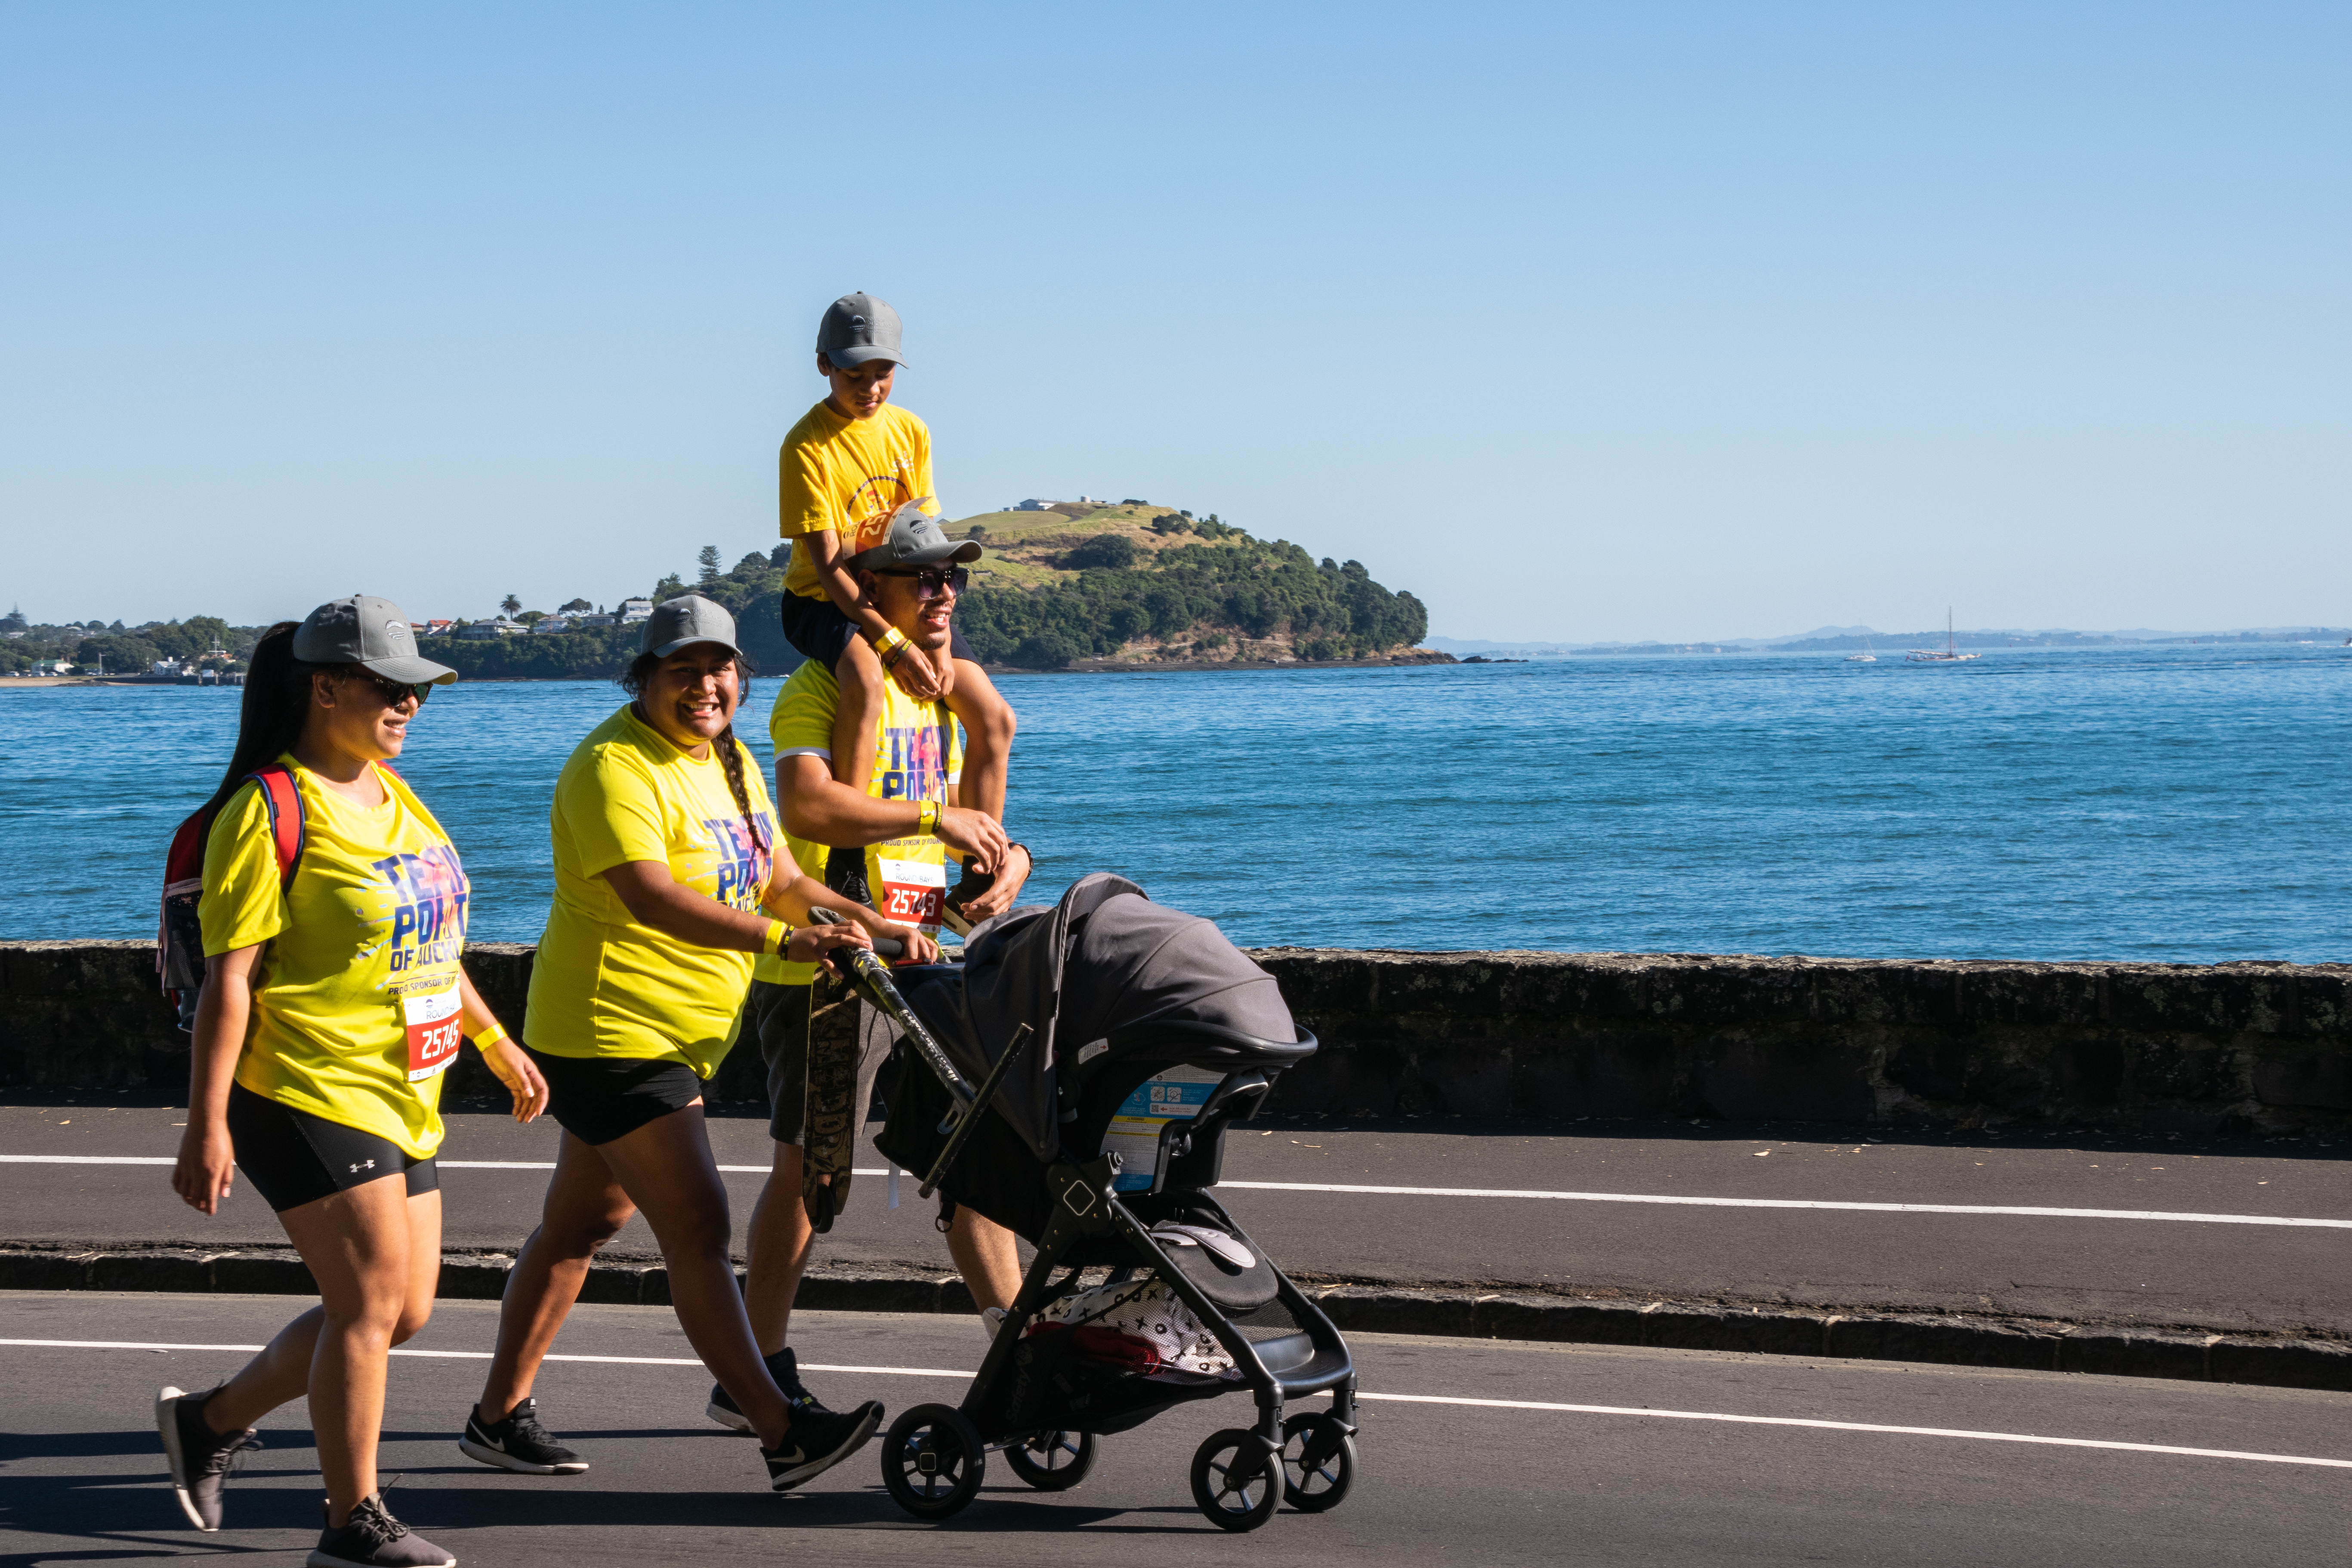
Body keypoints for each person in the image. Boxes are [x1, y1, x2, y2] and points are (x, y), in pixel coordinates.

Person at [457, 595, 919, 1492]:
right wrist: (784, 943)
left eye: (720, 670)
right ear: (645, 678)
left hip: (679, 1032)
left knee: (582, 1223)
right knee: (700, 1226)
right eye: (683, 671)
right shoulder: (611, 767)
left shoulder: (731, 760)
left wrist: (872, 924)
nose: (705, 687)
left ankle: (496, 1418)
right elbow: (651, 895)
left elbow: (779, 877)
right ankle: (782, 1430)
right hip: (609, 1030)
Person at [161, 596, 547, 1568]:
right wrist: (206, 1122)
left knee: (399, 1310)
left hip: (398, 1086)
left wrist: (494, 1039)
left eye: (417, 691)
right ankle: (352, 1521)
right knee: (371, 1303)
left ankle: (210, 1423)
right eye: (392, 688)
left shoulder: (392, 794)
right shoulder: (267, 810)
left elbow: (431, 940)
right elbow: (230, 980)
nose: (410, 705)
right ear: (325, 687)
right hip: (300, 1086)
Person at [707, 512, 1034, 1432]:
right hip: (827, 960)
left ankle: (1015, 1348)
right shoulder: (819, 686)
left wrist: (1008, 863)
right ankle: (753, 1375)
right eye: (920, 577)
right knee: (812, 1175)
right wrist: (934, 827)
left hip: (920, 951)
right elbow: (811, 802)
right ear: (872, 593)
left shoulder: (943, 695)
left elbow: (970, 826)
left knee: (981, 1158)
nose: (942, 595)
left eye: (950, 580)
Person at [776, 292, 1016, 884]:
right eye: (854, 375)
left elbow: (922, 539)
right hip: (822, 600)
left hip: (901, 592)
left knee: (992, 713)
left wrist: (933, 640)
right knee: (863, 674)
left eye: (882, 374)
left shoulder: (910, 430)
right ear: (823, 365)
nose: (869, 389)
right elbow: (830, 566)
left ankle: (982, 868)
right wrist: (893, 645)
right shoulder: (807, 445)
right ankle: (849, 855)